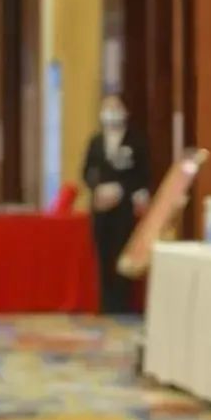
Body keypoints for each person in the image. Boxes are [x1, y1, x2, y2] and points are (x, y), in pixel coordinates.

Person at [82, 93, 151, 313]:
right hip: (101, 207)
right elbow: (87, 171)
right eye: (107, 108)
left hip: (124, 208)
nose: (111, 112)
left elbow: (143, 174)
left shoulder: (135, 141)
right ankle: (106, 301)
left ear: (125, 111)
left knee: (121, 252)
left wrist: (122, 190)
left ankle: (121, 302)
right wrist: (97, 188)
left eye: (116, 107)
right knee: (103, 254)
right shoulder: (96, 141)